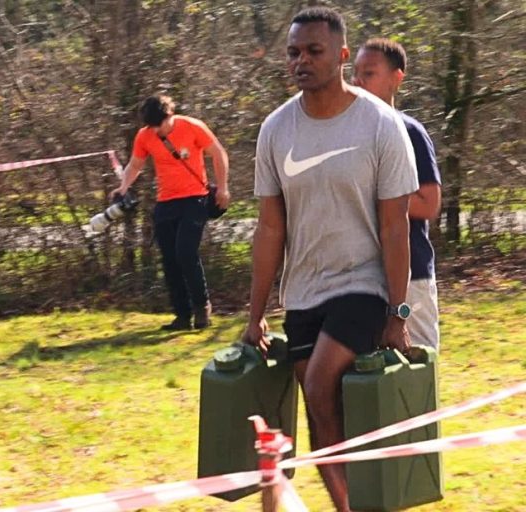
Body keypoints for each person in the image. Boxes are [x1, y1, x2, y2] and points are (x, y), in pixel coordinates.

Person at [242, 8, 418, 511]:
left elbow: (395, 225)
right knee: (321, 409)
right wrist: (255, 314)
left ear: (341, 55)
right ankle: (350, 505)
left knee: (320, 385)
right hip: (303, 292)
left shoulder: (381, 124)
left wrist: (397, 312)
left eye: (314, 51)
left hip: (362, 286)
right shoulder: (275, 130)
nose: (302, 61)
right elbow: (270, 228)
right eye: (294, 52)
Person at [111, 94, 230, 330]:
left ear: (170, 115)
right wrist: (123, 186)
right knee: (169, 259)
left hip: (195, 198)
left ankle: (202, 307)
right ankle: (182, 316)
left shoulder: (192, 127)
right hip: (166, 202)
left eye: (160, 125)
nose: (157, 131)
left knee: (186, 252)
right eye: (151, 126)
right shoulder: (145, 135)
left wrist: (223, 188)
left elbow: (219, 154)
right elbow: (135, 164)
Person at [353, 38, 442, 351]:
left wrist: (377, 201)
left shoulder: (410, 132)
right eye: (355, 73)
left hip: (411, 276)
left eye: (369, 73)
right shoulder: (348, 136)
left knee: (416, 373)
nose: (358, 81)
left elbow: (429, 203)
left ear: (396, 77)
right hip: (359, 279)